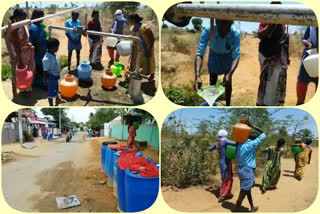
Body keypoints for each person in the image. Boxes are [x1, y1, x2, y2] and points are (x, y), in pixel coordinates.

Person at [195, 20, 240, 106]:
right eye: (222, 28)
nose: (225, 31)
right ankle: (212, 102)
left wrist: (230, 73)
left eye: (228, 27)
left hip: (228, 56)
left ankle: (228, 105)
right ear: (217, 23)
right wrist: (197, 75)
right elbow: (200, 53)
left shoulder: (235, 33)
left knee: (228, 81)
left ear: (231, 24)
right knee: (212, 80)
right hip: (214, 55)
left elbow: (236, 56)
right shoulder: (208, 31)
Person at [256, 2, 290, 106]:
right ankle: (263, 104)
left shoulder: (285, 22)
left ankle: (275, 104)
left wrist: (287, 56)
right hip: (266, 55)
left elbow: (286, 39)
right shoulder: (266, 20)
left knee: (278, 82)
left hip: (280, 56)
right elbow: (260, 35)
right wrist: (271, 24)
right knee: (267, 81)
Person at [235, 121, 266, 212]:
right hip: (247, 171)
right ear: (253, 140)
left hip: (241, 170)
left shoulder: (239, 144)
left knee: (247, 190)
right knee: (244, 191)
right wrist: (253, 126)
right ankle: (236, 207)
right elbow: (264, 134)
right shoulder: (250, 145)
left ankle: (252, 207)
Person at [6, 8, 35, 93]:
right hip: (20, 54)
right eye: (23, 17)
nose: (25, 19)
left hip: (25, 53)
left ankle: (27, 87)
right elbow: (16, 45)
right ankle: (24, 89)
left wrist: (28, 45)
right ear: (17, 17)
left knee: (28, 70)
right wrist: (20, 59)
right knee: (22, 72)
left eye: (25, 17)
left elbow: (24, 40)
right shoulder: (14, 28)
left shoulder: (21, 25)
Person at [208, 130, 236, 202]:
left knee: (224, 178)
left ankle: (227, 193)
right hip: (227, 163)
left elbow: (210, 149)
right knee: (228, 178)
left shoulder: (217, 143)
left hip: (221, 163)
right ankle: (222, 195)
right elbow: (236, 144)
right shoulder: (225, 142)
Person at [127, 14, 156, 81]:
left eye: (129, 19)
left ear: (133, 20)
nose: (128, 21)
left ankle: (152, 74)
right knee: (135, 62)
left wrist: (149, 50)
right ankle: (135, 74)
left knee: (148, 62)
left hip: (146, 49)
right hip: (135, 49)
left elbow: (152, 39)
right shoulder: (132, 28)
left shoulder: (144, 28)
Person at [296, 27, 318, 105]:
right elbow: (304, 38)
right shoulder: (311, 24)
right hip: (309, 54)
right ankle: (300, 101)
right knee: (302, 79)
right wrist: (307, 43)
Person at [42, 38, 63, 106]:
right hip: (51, 78)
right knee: (51, 93)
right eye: (57, 47)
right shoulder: (46, 59)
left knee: (56, 89)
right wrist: (45, 81)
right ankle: (51, 105)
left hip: (55, 76)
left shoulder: (53, 54)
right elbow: (45, 71)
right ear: (52, 48)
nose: (58, 48)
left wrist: (58, 74)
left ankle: (58, 100)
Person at [29, 9, 47, 89]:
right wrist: (43, 53)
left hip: (41, 52)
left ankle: (39, 82)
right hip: (38, 53)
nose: (43, 18)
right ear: (37, 17)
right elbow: (37, 42)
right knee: (40, 68)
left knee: (40, 68)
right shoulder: (34, 27)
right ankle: (39, 83)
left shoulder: (38, 26)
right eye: (41, 16)